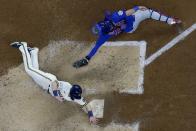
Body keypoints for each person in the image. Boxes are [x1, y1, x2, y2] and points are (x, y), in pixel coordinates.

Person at [10, 42, 98, 124]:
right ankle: (23, 46)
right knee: (29, 69)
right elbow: (54, 84)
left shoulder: (76, 96)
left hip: (45, 85)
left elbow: (86, 105)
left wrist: (91, 116)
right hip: (48, 80)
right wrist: (56, 95)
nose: (75, 98)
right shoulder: (66, 87)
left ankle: (33, 52)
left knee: (34, 72)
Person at [73, 6, 182, 68]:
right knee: (147, 12)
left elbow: (95, 48)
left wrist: (86, 59)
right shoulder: (115, 17)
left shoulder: (103, 36)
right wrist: (138, 7)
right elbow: (132, 10)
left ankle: (156, 15)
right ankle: (170, 20)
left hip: (128, 29)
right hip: (132, 22)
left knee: (127, 16)